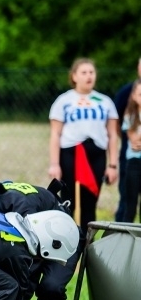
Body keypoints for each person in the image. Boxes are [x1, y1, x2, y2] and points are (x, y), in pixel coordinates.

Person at [48, 58, 119, 231]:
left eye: (91, 72)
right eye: (84, 72)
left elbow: (112, 134)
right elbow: (55, 134)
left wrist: (113, 165)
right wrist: (55, 164)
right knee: (68, 201)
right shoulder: (64, 101)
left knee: (90, 202)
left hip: (96, 153)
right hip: (71, 153)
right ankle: (68, 243)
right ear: (74, 76)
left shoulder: (104, 101)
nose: (89, 76)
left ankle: (88, 247)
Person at [113, 57, 141, 221]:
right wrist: (129, 139)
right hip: (131, 158)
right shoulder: (126, 92)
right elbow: (116, 121)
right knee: (127, 201)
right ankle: (121, 236)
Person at [119, 79, 141, 222]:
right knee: (130, 204)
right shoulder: (130, 116)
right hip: (134, 163)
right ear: (133, 96)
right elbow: (135, 142)